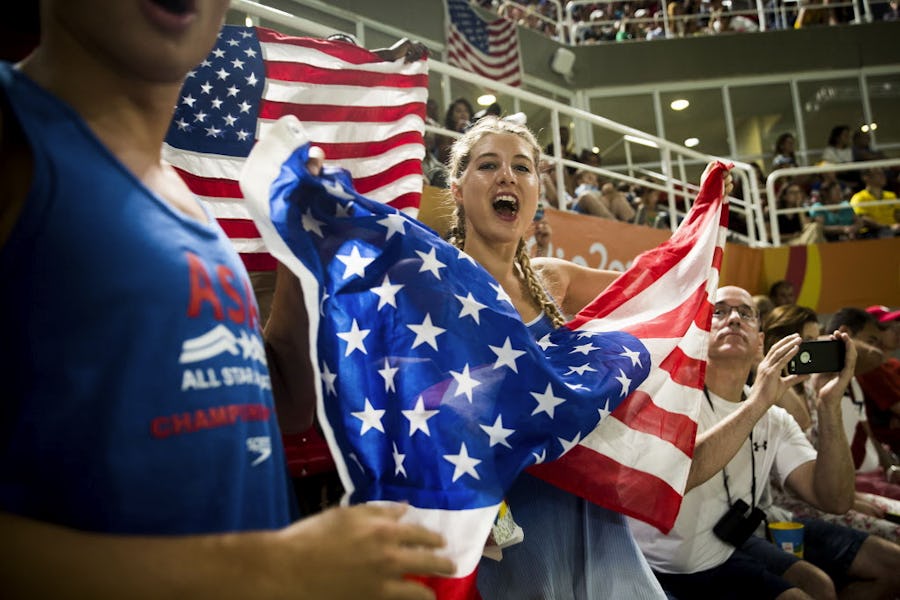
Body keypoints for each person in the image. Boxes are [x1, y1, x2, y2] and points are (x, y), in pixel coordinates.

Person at [0, 1, 455, 598]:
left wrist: (301, 254)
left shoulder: (179, 197)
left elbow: (275, 407)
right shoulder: (17, 142)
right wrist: (273, 569)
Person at [631, 285, 900, 599]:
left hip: (724, 547)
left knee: (822, 586)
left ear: (760, 340)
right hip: (656, 563)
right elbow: (674, 480)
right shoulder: (669, 399)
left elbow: (835, 499)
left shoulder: (775, 417)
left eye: (746, 313)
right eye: (719, 311)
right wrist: (757, 402)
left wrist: (829, 406)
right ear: (699, 331)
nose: (734, 318)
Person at [762, 305, 900, 545]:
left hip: (825, 490)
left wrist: (853, 497)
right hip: (791, 502)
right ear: (777, 341)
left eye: (815, 340)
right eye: (805, 340)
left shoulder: (810, 388)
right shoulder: (767, 387)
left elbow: (822, 452)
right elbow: (802, 420)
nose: (812, 348)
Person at [850, 167, 900, 238]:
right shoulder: (859, 198)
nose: (883, 176)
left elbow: (898, 214)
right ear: (866, 177)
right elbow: (863, 218)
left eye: (883, 173)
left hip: (896, 229)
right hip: (874, 232)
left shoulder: (891, 195)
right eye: (878, 173)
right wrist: (888, 227)